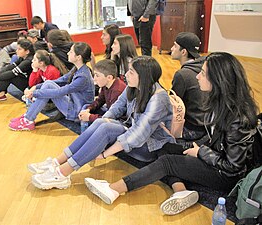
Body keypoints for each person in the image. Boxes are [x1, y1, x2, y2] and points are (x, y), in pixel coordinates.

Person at [85, 52, 258, 217]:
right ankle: (181, 192)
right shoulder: (219, 104)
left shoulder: (237, 118)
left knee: (167, 162)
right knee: (165, 147)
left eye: (203, 74)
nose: (197, 76)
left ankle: (114, 189)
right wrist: (192, 146)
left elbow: (233, 167)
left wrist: (200, 152)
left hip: (225, 175)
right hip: (214, 155)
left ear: (219, 80)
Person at [28, 56, 175, 190]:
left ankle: (62, 173)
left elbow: (138, 135)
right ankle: (57, 162)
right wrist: (105, 119)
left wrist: (104, 154)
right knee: (102, 122)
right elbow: (118, 107)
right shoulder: (133, 86)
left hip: (150, 147)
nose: (127, 74)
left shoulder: (158, 99)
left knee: (105, 127)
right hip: (132, 134)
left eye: (131, 72)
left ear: (143, 76)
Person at [9, 42, 95, 131]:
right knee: (48, 83)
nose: (68, 53)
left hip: (78, 112)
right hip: (74, 105)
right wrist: (36, 87)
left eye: (71, 52)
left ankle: (28, 119)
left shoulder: (83, 77)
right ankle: (28, 117)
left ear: (78, 57)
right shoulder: (79, 69)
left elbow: (60, 92)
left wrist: (34, 93)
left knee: (48, 87)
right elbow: (61, 80)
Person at [170, 32, 207, 142]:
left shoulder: (183, 75)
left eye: (175, 46)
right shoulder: (206, 67)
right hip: (208, 126)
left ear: (183, 52)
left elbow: (173, 105)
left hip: (192, 130)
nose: (171, 48)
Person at [78, 59, 126, 124]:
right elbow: (99, 101)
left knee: (89, 118)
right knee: (85, 107)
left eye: (97, 75)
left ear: (109, 77)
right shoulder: (105, 84)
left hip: (118, 121)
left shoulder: (117, 91)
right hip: (108, 112)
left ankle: (85, 130)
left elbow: (112, 118)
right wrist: (88, 109)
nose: (94, 78)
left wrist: (90, 117)